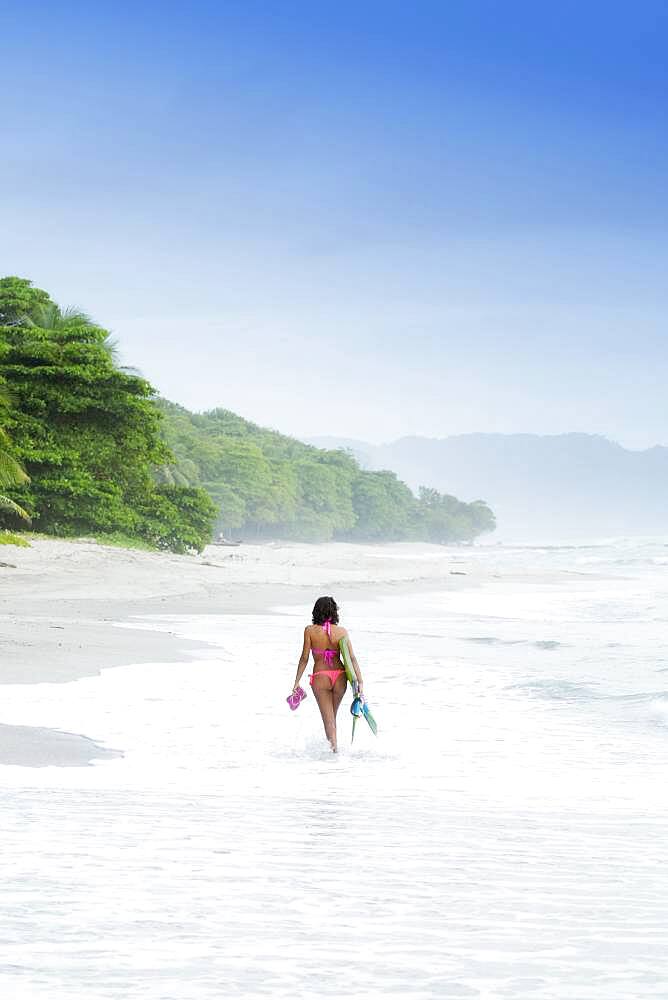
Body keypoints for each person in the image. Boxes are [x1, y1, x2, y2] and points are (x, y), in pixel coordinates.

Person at [291, 596, 363, 752]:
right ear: (334, 612)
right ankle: (333, 752)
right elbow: (351, 658)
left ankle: (334, 755)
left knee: (328, 721)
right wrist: (360, 683)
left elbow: (304, 658)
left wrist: (296, 682)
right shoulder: (342, 632)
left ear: (316, 612)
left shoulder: (310, 631)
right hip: (340, 677)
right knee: (331, 718)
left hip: (321, 677)